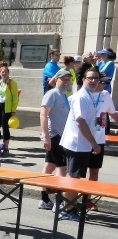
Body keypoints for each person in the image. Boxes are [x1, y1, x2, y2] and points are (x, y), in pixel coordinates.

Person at [58, 67, 102, 221]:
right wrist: (94, 143)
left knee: (74, 177)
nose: (94, 81)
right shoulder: (82, 97)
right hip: (77, 144)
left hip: (81, 144)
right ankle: (67, 210)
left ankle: (70, 207)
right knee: (73, 178)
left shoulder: (88, 96)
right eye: (90, 78)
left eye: (96, 78)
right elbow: (80, 122)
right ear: (83, 80)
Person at [38, 69, 71, 210]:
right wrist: (46, 136)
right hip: (55, 135)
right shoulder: (52, 94)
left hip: (61, 135)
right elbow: (43, 114)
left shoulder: (63, 95)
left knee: (49, 166)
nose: (66, 82)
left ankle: (44, 199)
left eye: (68, 79)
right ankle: (59, 202)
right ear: (57, 79)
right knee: (62, 168)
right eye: (63, 79)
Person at [85, 75, 118, 211]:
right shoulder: (84, 94)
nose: (104, 86)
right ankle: (69, 201)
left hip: (99, 139)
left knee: (94, 171)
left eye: (106, 83)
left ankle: (88, 200)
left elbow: (113, 114)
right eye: (102, 83)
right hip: (83, 140)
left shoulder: (105, 95)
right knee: (77, 173)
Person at [0, 64, 19, 156]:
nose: (4, 73)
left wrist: (13, 110)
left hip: (6, 108)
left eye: (6, 72)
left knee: (5, 127)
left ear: (8, 73)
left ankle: (6, 147)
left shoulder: (12, 83)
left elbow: (15, 98)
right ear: (0, 73)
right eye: (3, 72)